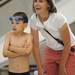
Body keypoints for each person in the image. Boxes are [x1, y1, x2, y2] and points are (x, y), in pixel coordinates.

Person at [28, 0, 75, 75]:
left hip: (68, 49)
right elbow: (35, 45)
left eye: (41, 1)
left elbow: (67, 43)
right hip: (51, 50)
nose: (36, 3)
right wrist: (40, 68)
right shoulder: (33, 19)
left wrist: (62, 67)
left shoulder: (59, 18)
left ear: (48, 4)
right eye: (35, 1)